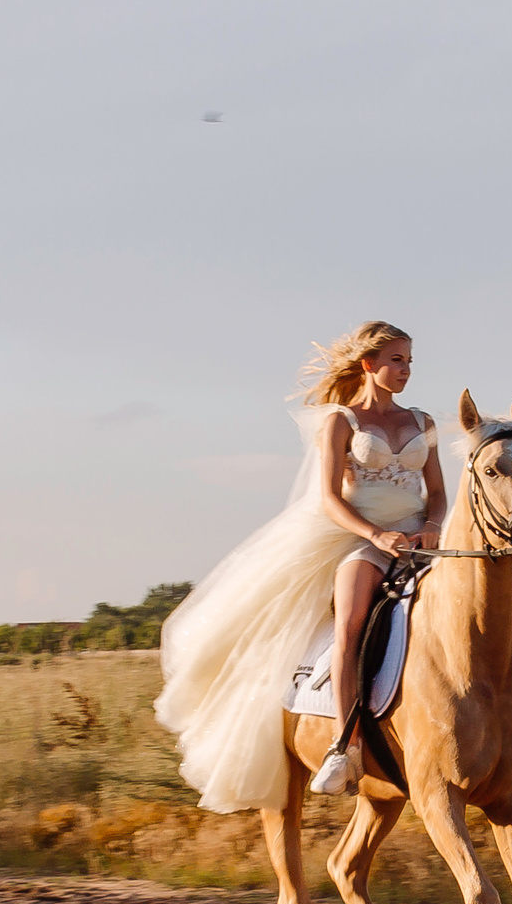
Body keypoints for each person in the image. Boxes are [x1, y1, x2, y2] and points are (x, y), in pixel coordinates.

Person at [153, 321, 447, 812]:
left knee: (511, 614)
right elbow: (330, 497)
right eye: (396, 360)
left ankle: (507, 742)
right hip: (361, 535)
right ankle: (345, 746)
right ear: (369, 365)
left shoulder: (424, 422)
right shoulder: (341, 423)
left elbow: (436, 493)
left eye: (410, 361)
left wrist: (433, 526)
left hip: (419, 537)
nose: (405, 370)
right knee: (352, 618)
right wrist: (375, 535)